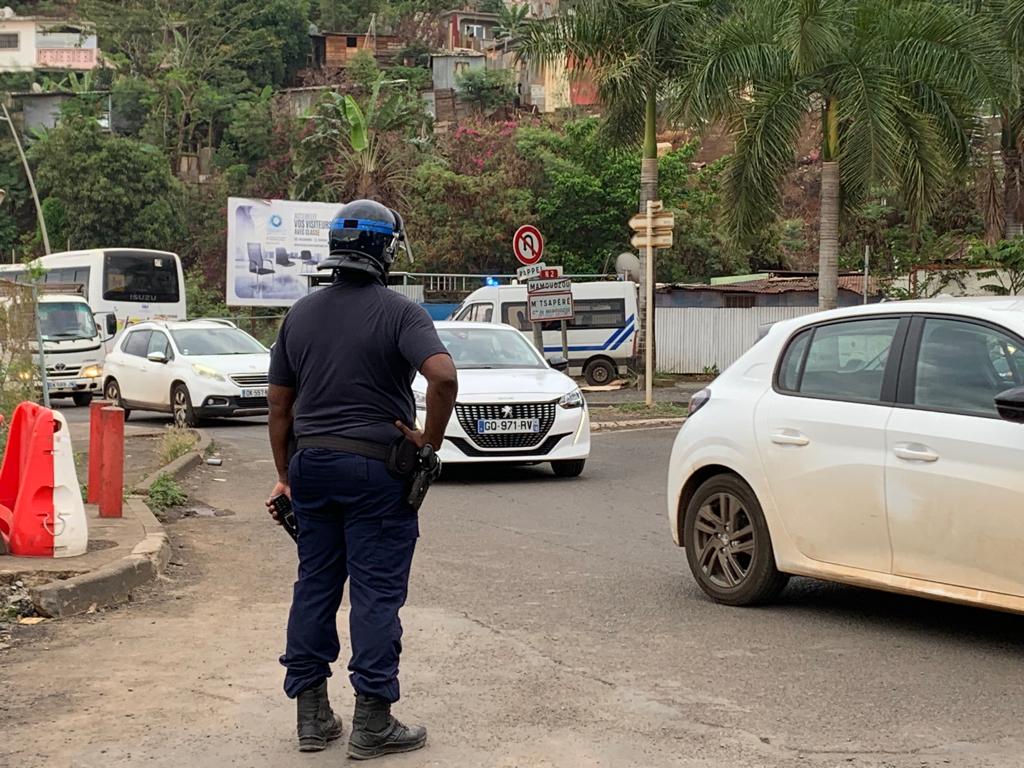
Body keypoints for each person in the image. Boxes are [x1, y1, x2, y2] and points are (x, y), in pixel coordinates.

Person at [266, 199, 458, 760]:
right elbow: (443, 377)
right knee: (375, 593)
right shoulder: (400, 312)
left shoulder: (299, 315)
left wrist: (286, 476)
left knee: (315, 585)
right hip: (376, 470)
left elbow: (278, 405)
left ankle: (312, 718)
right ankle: (372, 721)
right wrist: (428, 441)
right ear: (385, 251)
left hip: (312, 466)